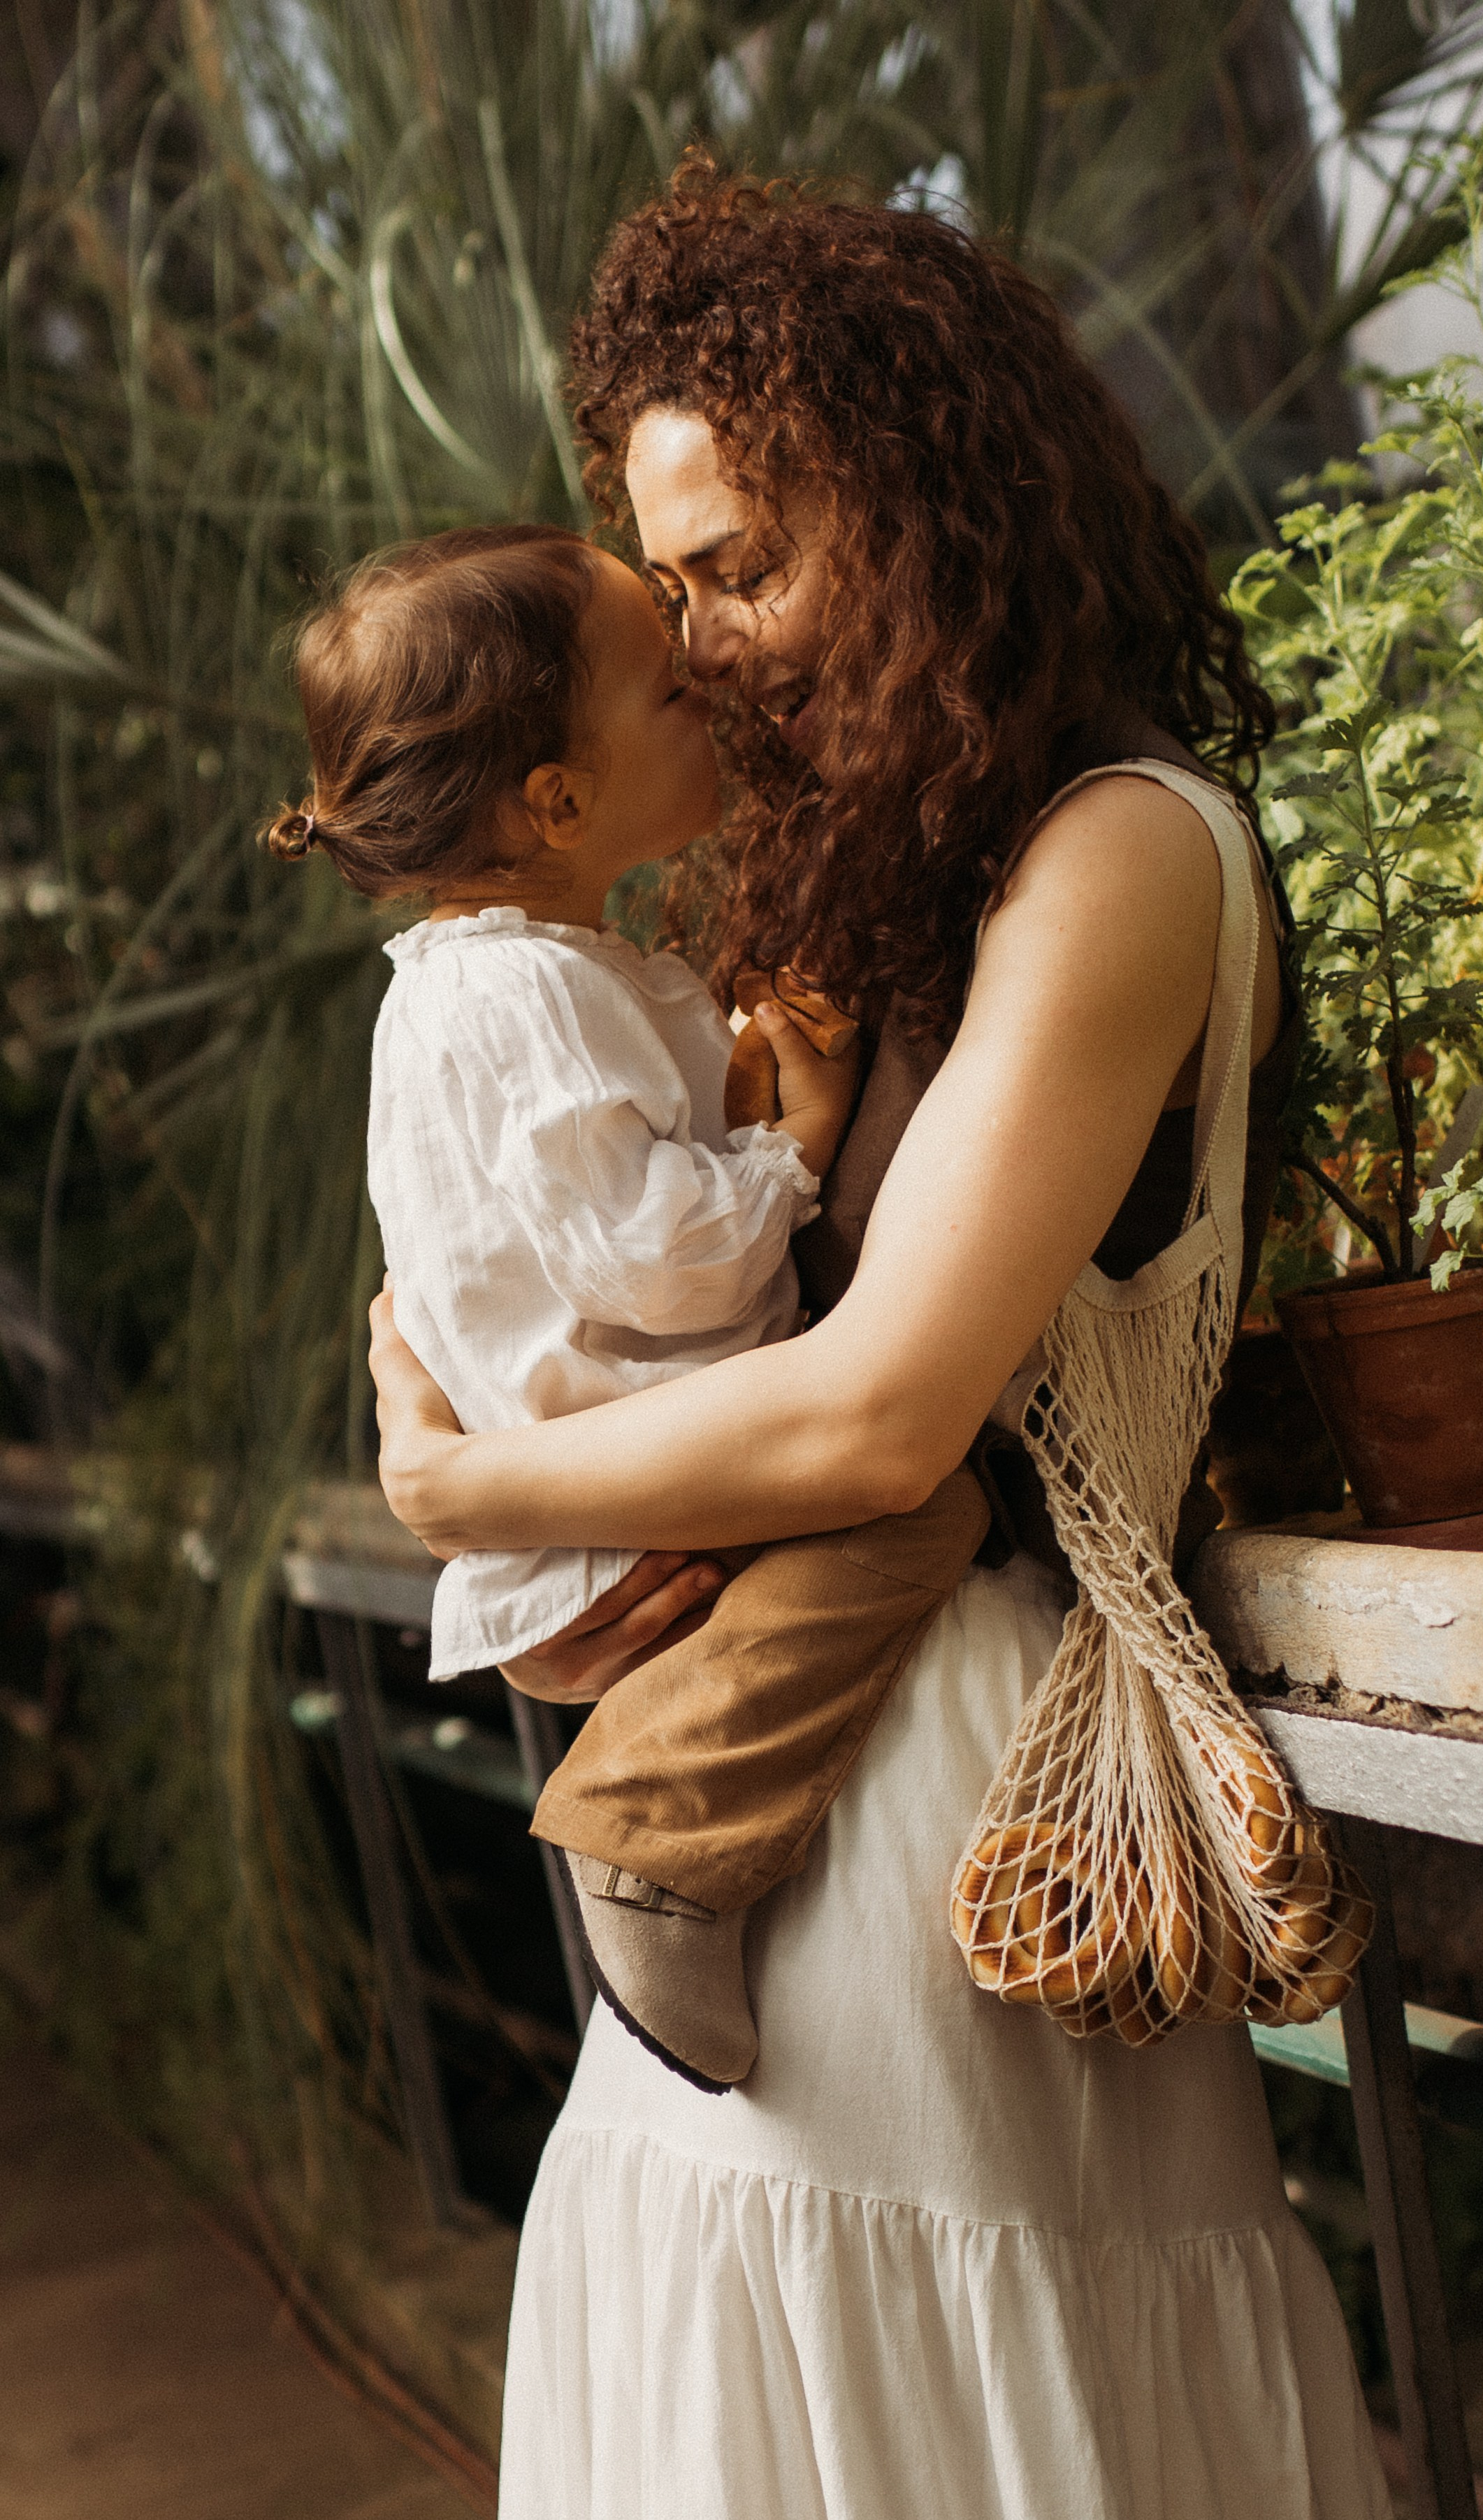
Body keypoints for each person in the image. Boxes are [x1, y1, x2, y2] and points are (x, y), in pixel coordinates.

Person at [369, 164, 1391, 2519]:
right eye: (676, 596)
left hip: (960, 1816)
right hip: (809, 1813)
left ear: (923, 502)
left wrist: (469, 1491)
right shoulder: (897, 864)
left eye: (742, 564)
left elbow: (885, 1405)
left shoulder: (1116, 843)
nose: (710, 646)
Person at [266, 523, 989, 2091]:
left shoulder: (516, 977)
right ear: (557, 803)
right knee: (926, 1517)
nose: (708, 685)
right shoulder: (526, 997)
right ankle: (650, 1835)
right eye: (668, 687)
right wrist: (797, 1140)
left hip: (590, 1474)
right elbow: (654, 1260)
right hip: (620, 1492)